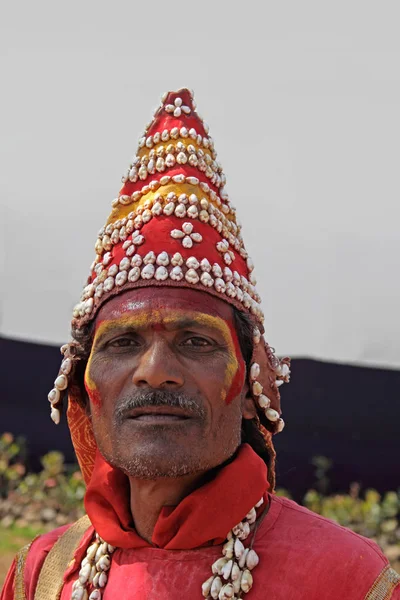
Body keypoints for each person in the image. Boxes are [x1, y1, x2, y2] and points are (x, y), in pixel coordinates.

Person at [2, 89, 399, 600]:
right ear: (80, 380)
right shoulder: (45, 573)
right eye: (122, 342)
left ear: (251, 381)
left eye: (196, 340)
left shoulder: (342, 577)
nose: (154, 370)